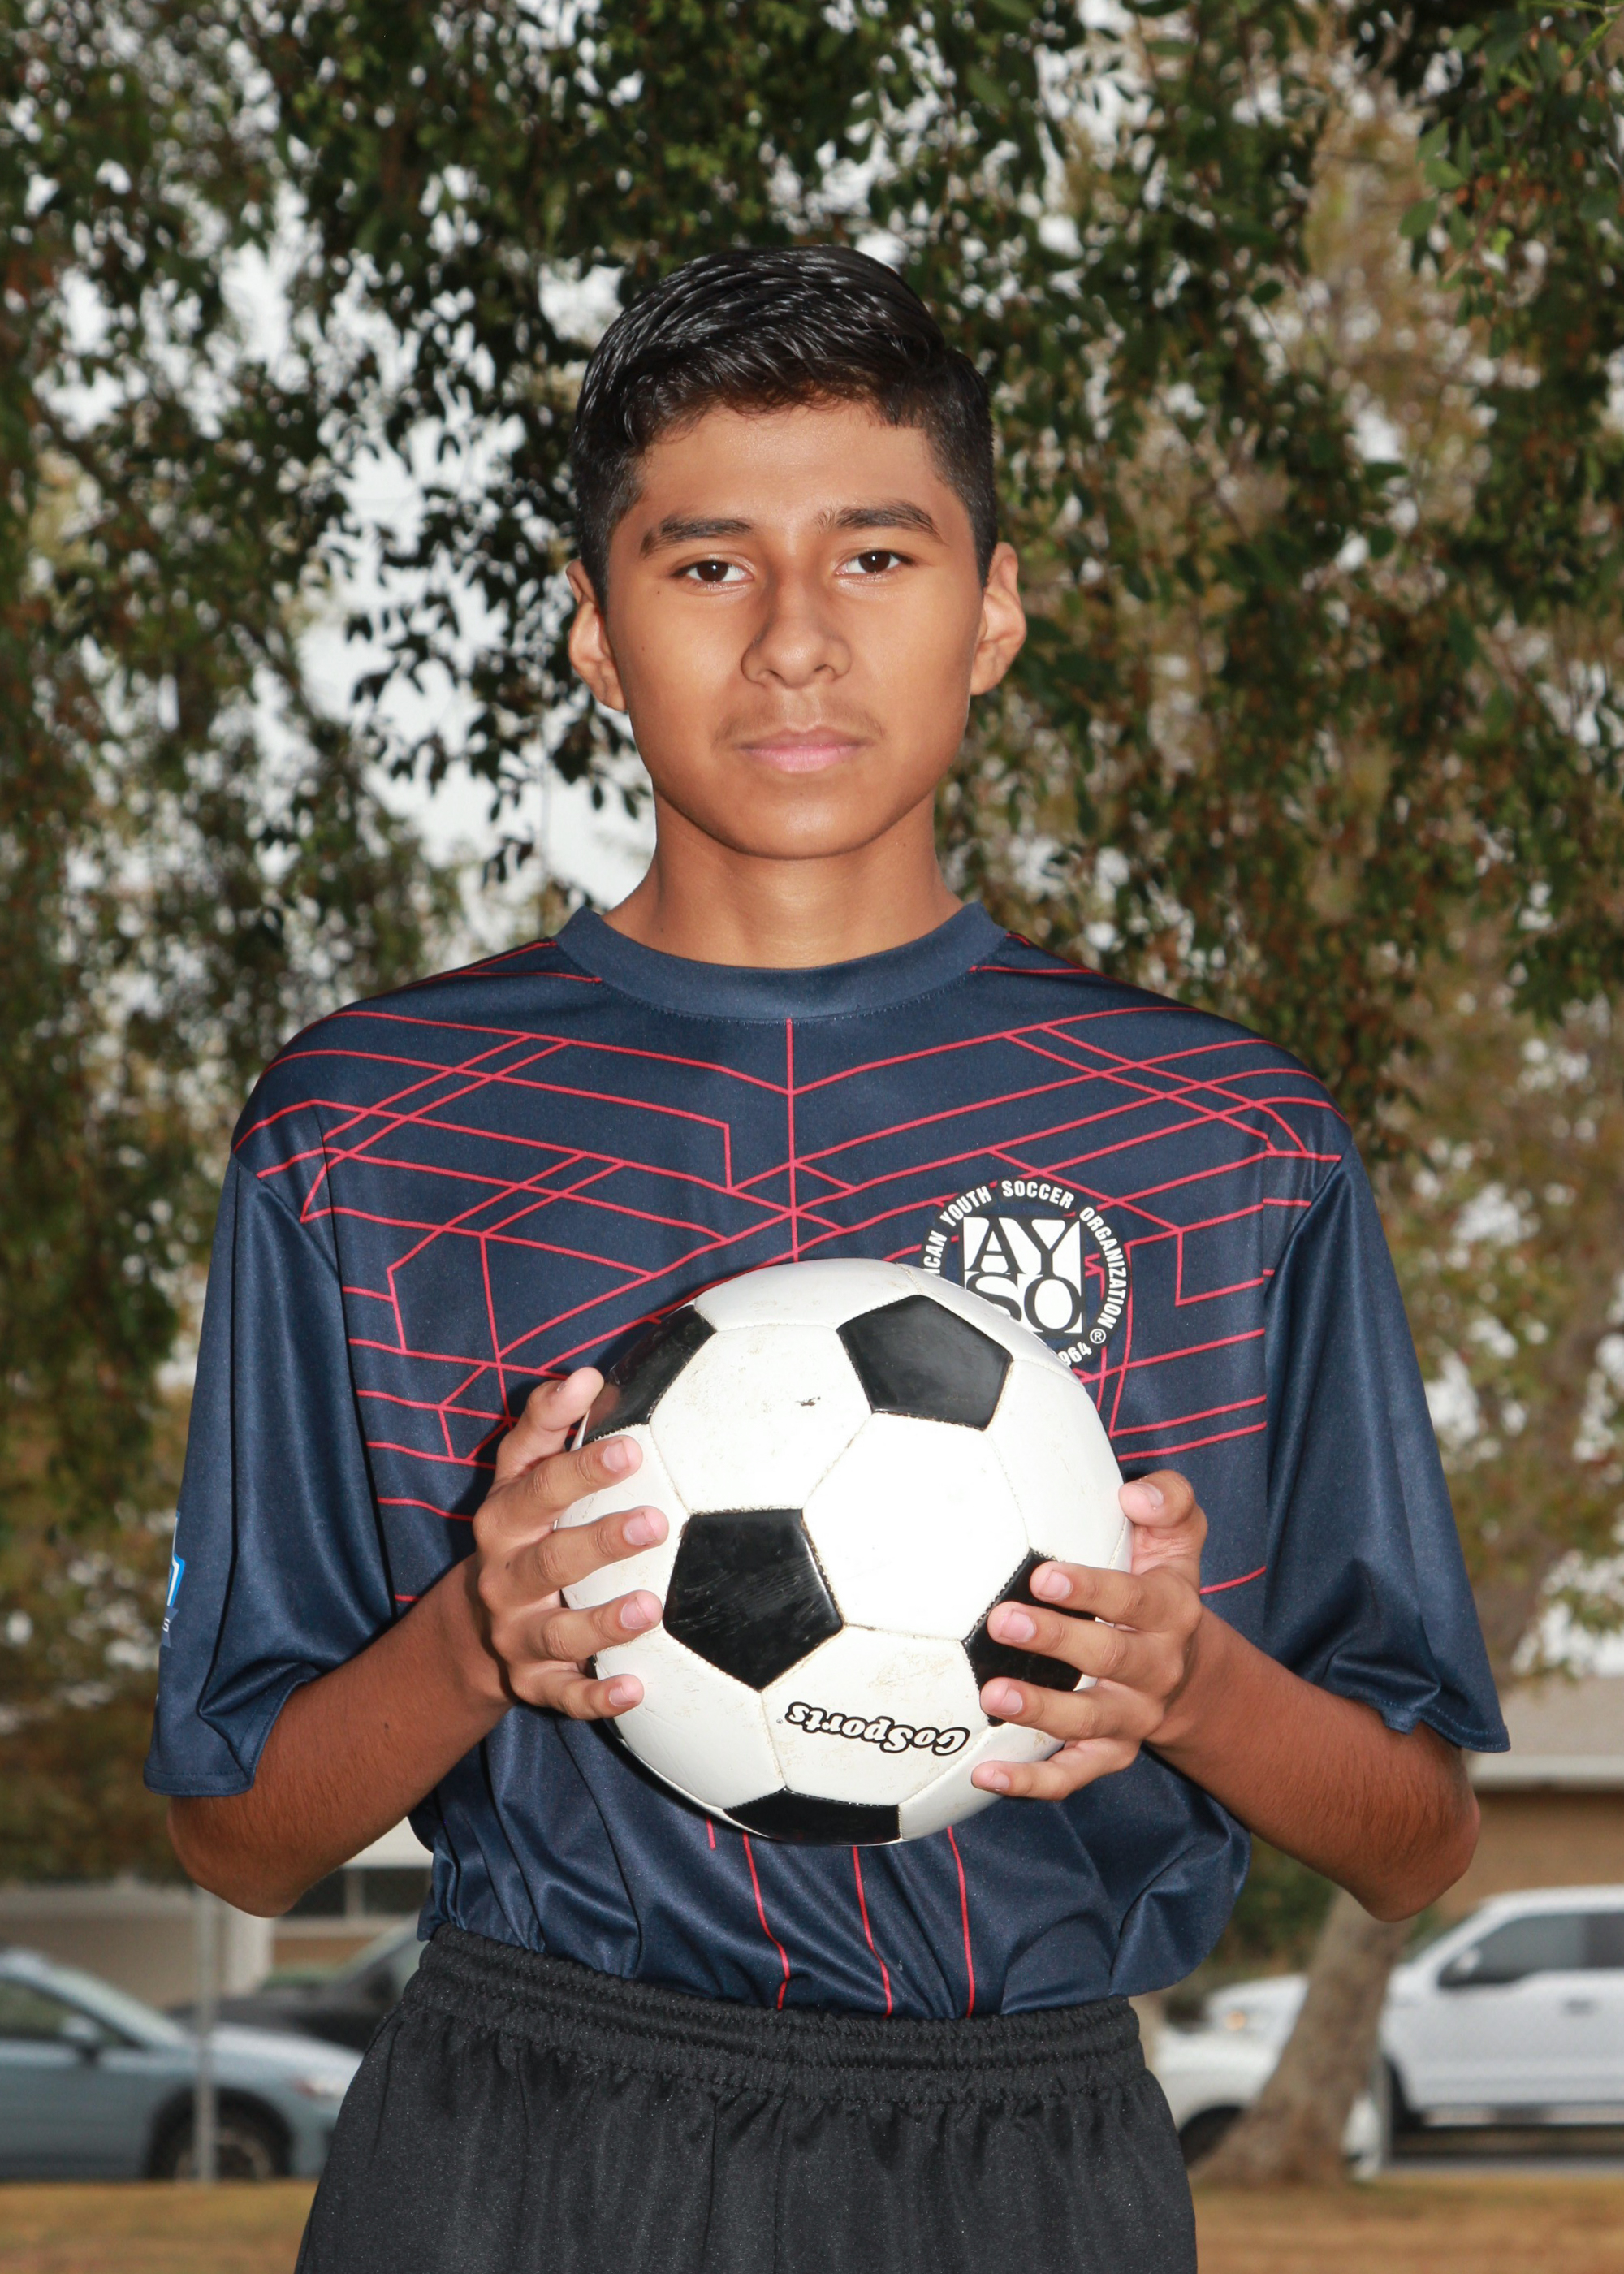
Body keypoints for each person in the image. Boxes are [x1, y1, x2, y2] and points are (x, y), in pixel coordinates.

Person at [149, 248, 1505, 2273]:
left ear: (994, 609)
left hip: (1024, 2166)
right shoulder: (367, 1126)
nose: (794, 641)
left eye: (875, 555)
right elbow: (241, 1836)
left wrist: (1191, 1680)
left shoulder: (1228, 1143)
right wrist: (474, 1640)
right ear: (597, 632)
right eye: (708, 566)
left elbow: (1416, 1838)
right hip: (524, 2146)